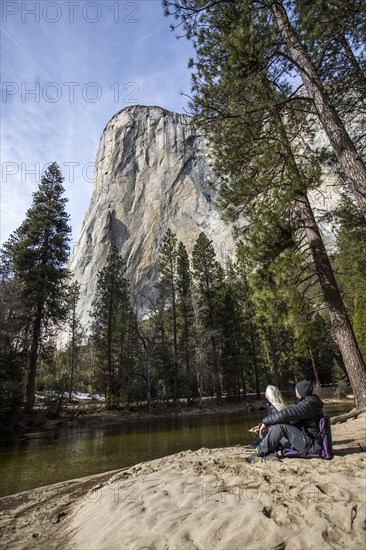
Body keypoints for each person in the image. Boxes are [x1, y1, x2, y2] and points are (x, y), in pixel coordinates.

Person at [247, 380, 323, 461]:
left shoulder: (308, 406)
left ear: (300, 391)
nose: (295, 391)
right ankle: (262, 450)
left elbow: (288, 414)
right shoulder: (308, 403)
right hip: (309, 442)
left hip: (311, 445)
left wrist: (265, 422)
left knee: (280, 427)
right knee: (276, 428)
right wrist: (261, 426)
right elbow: (292, 421)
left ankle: (260, 451)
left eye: (296, 389)